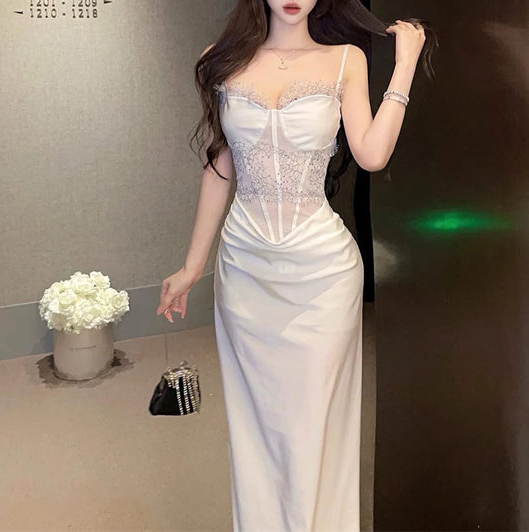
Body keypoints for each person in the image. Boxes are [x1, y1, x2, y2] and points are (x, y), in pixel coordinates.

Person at [156, 1, 436, 530]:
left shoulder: (345, 59)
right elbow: (219, 165)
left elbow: (372, 155)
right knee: (257, 424)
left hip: (322, 276)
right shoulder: (220, 60)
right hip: (245, 271)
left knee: (311, 425)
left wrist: (403, 67)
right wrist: (192, 266)